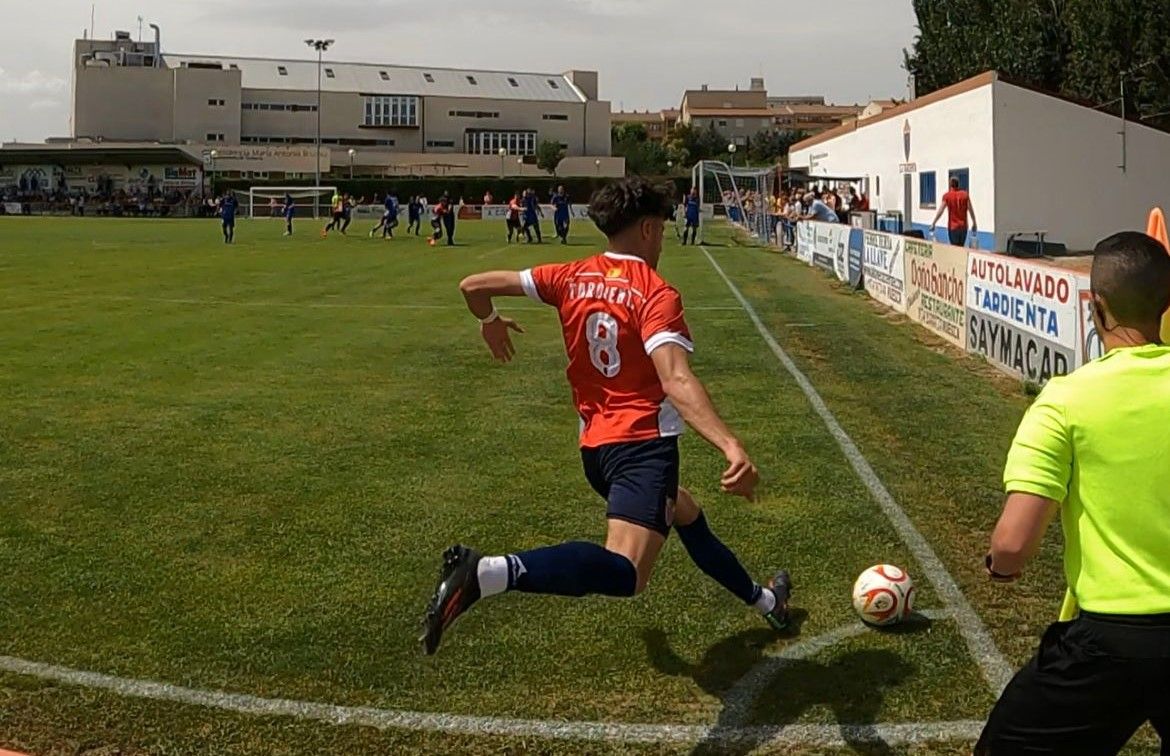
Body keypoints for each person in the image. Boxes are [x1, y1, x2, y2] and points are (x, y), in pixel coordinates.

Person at [420, 177, 793, 656]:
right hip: (642, 448)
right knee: (627, 574)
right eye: (661, 229)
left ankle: (767, 603)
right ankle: (490, 573)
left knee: (684, 510)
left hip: (596, 449)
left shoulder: (570, 275)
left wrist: (489, 322)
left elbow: (472, 286)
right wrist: (730, 444)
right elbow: (675, 380)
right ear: (647, 228)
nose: (663, 240)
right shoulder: (655, 293)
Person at [976, 231, 1170, 755]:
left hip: (1109, 640)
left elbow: (1013, 544)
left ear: (1097, 307)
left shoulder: (1066, 399)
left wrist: (1000, 566)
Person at [931, 177, 977, 247]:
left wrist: (934, 223)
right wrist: (974, 223)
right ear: (958, 185)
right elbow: (971, 210)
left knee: (954, 249)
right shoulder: (965, 195)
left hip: (953, 228)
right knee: (961, 248)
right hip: (963, 227)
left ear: (950, 185)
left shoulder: (947, 196)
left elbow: (941, 210)